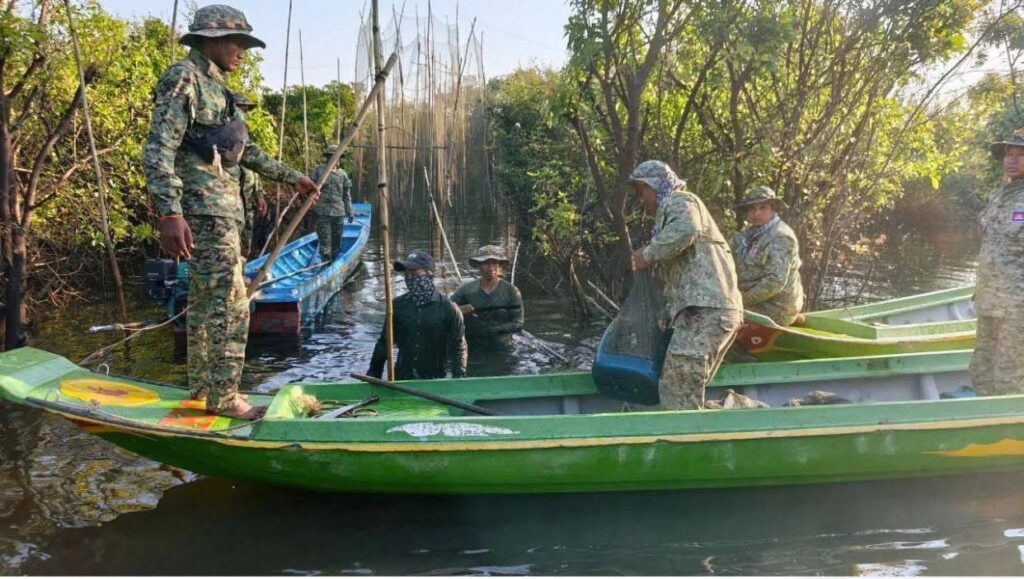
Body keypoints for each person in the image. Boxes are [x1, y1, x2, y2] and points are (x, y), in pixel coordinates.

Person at [144, 5, 320, 419]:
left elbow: (245, 151)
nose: (242, 52)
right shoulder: (185, 77)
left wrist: (293, 177)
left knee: (207, 303)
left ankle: (206, 390)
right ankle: (224, 398)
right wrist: (169, 212)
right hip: (202, 210)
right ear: (211, 40)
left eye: (244, 44)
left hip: (223, 213)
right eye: (236, 43)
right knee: (232, 304)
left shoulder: (220, 90)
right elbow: (158, 147)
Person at [628, 160, 743, 410]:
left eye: (641, 190)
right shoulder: (672, 211)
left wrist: (647, 254)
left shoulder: (679, 201)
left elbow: (686, 228)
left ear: (655, 186)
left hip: (705, 312)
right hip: (708, 312)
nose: (641, 199)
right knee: (685, 387)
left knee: (678, 392)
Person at [970, 128, 1024, 396]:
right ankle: (986, 415)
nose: (1011, 160)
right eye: (1008, 154)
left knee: (1009, 374)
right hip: (989, 298)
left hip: (1017, 305)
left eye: (1020, 154)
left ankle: (1012, 419)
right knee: (981, 367)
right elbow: (989, 243)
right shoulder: (997, 195)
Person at [368, 250, 468, 380]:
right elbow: (384, 343)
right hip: (402, 377)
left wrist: (459, 377)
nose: (410, 278)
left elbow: (459, 346)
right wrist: (373, 375)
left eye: (415, 273)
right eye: (407, 273)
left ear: (429, 274)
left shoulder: (448, 308)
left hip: (437, 378)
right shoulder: (396, 306)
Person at [731, 186, 804, 326]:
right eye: (751, 209)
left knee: (718, 317)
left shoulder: (782, 237)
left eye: (762, 208)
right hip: (752, 301)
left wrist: (739, 300)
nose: (756, 213)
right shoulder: (746, 235)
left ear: (773, 209)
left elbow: (775, 282)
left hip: (776, 308)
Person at [451, 245, 524, 374]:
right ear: (478, 266)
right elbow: (446, 311)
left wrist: (494, 330)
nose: (490, 268)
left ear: (500, 265)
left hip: (502, 350)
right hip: (472, 349)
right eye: (485, 263)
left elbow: (518, 323)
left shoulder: (511, 291)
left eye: (494, 263)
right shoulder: (465, 290)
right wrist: (459, 310)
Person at [232, 92, 267, 258]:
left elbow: (255, 170)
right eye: (241, 109)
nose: (244, 113)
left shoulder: (244, 136)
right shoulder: (222, 135)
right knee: (231, 246)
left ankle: (243, 268)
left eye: (246, 110)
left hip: (248, 204)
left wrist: (259, 196)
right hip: (232, 205)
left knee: (245, 246)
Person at [310, 145, 354, 262]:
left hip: (338, 212)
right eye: (331, 156)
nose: (333, 159)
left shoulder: (342, 174)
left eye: (336, 157)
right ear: (328, 157)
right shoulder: (319, 170)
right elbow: (309, 187)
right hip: (322, 212)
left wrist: (349, 211)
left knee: (336, 241)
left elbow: (346, 195)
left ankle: (333, 263)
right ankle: (325, 263)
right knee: (325, 242)